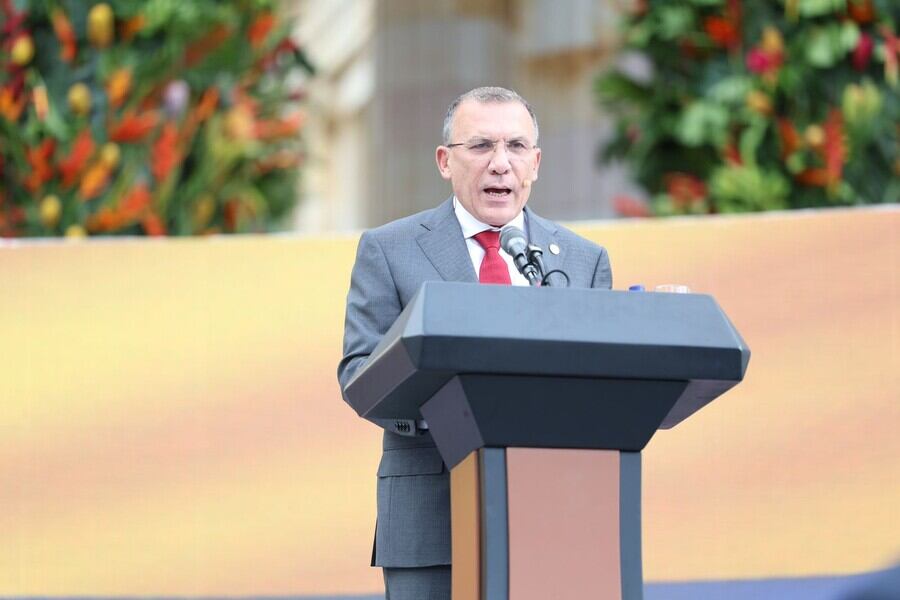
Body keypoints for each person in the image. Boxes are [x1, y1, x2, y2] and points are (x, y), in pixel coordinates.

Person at [338, 86, 612, 599]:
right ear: (445, 161)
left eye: (516, 147)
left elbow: (601, 385)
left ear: (536, 162)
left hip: (556, 518)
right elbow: (359, 372)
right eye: (481, 146)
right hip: (431, 521)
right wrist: (457, 416)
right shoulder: (390, 250)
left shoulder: (581, 261)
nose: (500, 165)